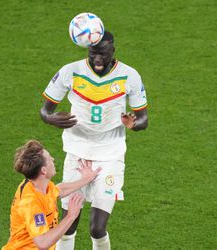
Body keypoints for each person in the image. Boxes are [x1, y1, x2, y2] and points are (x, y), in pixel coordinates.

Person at [40, 31, 148, 250]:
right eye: (93, 53)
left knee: (97, 228)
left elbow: (144, 119)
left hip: (110, 156)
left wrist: (133, 124)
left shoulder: (129, 76)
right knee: (68, 223)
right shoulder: (70, 71)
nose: (97, 58)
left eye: (102, 53)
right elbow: (44, 110)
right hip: (77, 153)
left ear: (113, 51)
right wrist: (51, 119)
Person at [2, 140, 101, 250]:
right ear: (43, 170)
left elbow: (59, 190)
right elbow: (43, 243)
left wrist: (86, 179)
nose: (53, 159)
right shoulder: (31, 203)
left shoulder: (38, 184)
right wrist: (71, 216)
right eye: (49, 159)